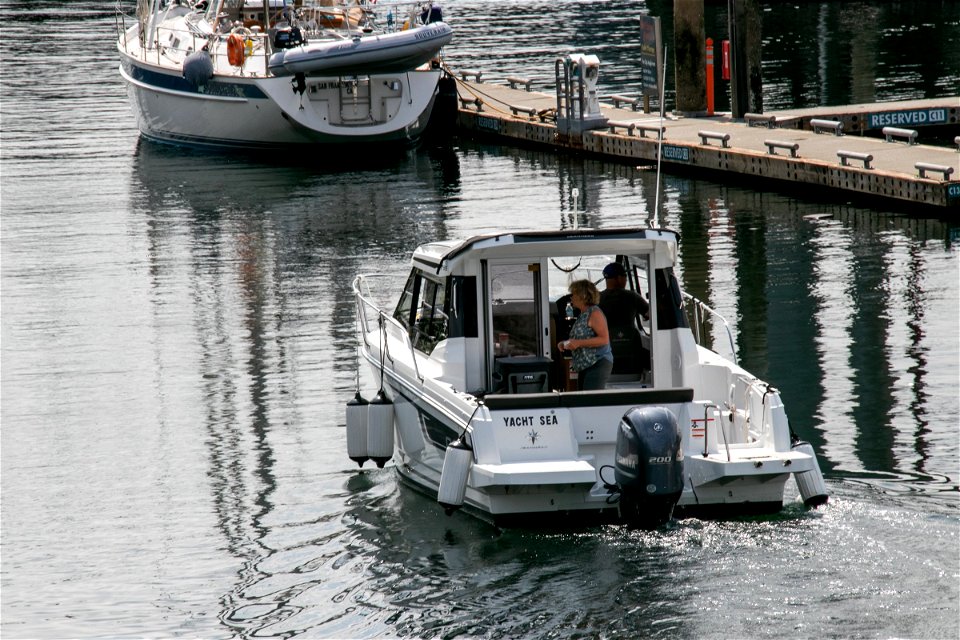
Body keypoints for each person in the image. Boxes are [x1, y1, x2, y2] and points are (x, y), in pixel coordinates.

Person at [557, 279, 613, 390]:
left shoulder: (595, 313)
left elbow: (604, 340)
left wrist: (578, 343)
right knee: (583, 399)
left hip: (597, 362)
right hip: (585, 365)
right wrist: (565, 343)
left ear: (582, 296)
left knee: (591, 402)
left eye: (573, 294)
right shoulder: (583, 313)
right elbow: (580, 337)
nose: (571, 297)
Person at [599, 262, 650, 374]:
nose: (626, 280)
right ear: (618, 278)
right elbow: (649, 314)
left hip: (606, 354)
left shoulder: (597, 299)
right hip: (631, 354)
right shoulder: (632, 296)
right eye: (625, 276)